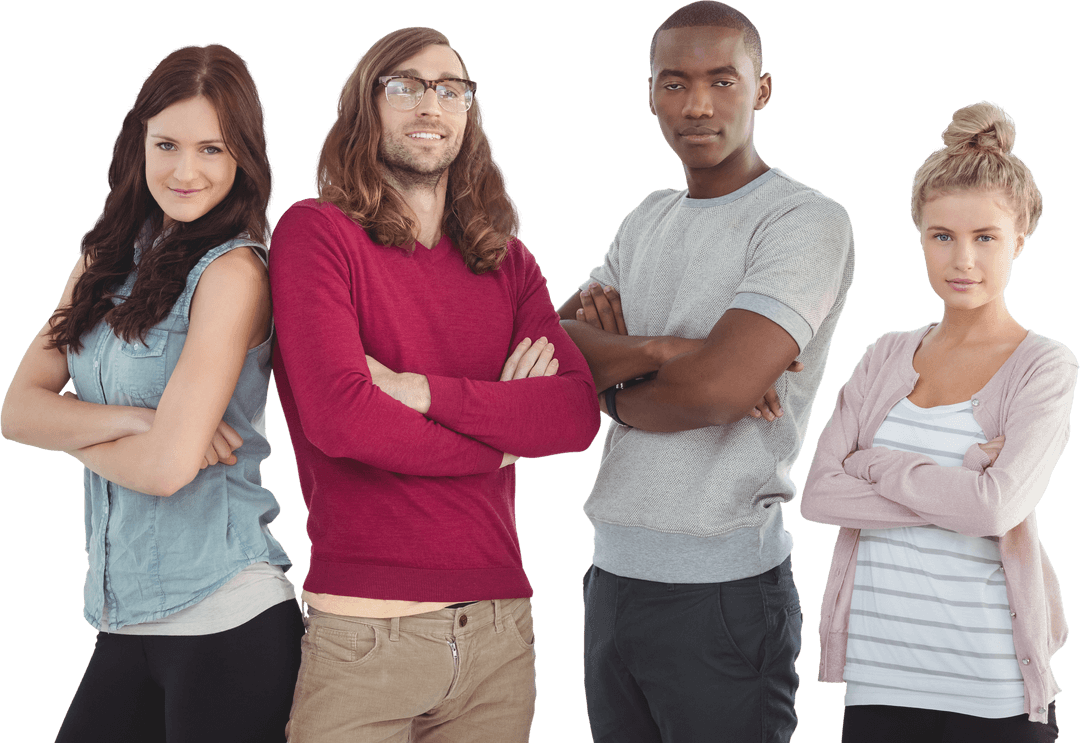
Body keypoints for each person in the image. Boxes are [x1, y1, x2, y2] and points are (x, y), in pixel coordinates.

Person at [269, 26, 600, 743]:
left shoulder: (510, 264)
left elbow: (574, 414)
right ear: (365, 105)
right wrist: (500, 438)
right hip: (364, 636)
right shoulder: (316, 234)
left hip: (500, 636)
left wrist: (420, 392)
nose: (431, 105)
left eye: (452, 90)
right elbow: (342, 418)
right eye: (406, 86)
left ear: (469, 112)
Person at [556, 2, 856, 741]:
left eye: (723, 80)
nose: (697, 104)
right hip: (610, 583)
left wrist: (613, 389)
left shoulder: (803, 220)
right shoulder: (646, 217)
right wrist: (665, 352)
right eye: (675, 83)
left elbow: (719, 390)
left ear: (762, 90)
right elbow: (552, 348)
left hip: (722, 595)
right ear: (651, 94)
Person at [0, 44, 302, 742]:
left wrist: (73, 431)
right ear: (138, 141)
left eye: (211, 149)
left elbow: (167, 471)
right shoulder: (103, 259)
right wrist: (140, 422)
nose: (184, 171)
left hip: (229, 618)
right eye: (166, 144)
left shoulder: (234, 275)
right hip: (121, 616)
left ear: (242, 158)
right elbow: (16, 410)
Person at [801, 101, 1068, 743]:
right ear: (920, 236)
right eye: (942, 236)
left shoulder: (1044, 366)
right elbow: (819, 495)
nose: (962, 260)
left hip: (992, 692)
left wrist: (876, 465)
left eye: (986, 238)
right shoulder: (885, 354)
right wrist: (963, 488)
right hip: (878, 685)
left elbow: (994, 510)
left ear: (1020, 238)